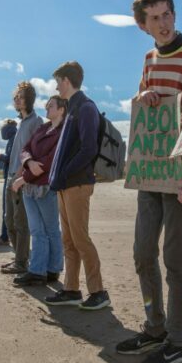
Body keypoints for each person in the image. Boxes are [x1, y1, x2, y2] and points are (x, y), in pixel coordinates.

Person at [115, 0, 182, 363]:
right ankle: (153, 328)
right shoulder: (149, 58)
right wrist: (146, 96)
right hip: (150, 172)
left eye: (167, 14)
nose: (164, 23)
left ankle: (178, 341)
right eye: (154, 18)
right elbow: (143, 103)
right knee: (142, 252)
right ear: (143, 26)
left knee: (175, 258)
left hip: (181, 174)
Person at [44, 61, 110, 311]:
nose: (56, 86)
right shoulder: (72, 108)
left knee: (81, 239)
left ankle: (99, 292)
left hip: (78, 184)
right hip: (65, 185)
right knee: (68, 240)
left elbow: (89, 149)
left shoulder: (86, 107)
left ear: (67, 81)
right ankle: (71, 289)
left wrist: (64, 173)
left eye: (58, 81)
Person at [11, 95, 65, 286]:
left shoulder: (63, 132)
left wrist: (24, 177)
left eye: (51, 106)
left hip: (45, 186)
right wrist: (29, 161)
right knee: (37, 229)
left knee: (51, 229)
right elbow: (25, 148)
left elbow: (50, 161)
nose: (47, 108)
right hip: (30, 187)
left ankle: (53, 269)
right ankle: (39, 270)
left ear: (61, 110)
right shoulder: (42, 128)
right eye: (46, 105)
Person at [2, 83, 43, 274]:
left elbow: (35, 152)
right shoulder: (20, 124)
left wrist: (20, 175)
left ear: (29, 98)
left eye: (20, 96)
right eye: (15, 97)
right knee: (8, 220)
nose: (17, 100)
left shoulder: (36, 122)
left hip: (21, 178)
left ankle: (21, 261)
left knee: (20, 222)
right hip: (10, 176)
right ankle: (19, 257)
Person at [0, 120, 17, 246]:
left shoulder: (13, 139)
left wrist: (0, 157)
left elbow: (11, 158)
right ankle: (6, 235)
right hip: (9, 176)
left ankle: (5, 236)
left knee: (7, 209)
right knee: (8, 209)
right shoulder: (13, 138)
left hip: (10, 176)